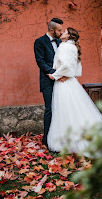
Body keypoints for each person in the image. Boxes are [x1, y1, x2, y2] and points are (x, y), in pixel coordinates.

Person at [47, 27, 102, 154]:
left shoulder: (64, 46)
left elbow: (66, 65)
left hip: (64, 84)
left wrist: (55, 75)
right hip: (71, 82)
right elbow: (77, 68)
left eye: (65, 32)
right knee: (76, 109)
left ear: (69, 36)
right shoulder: (74, 47)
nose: (62, 33)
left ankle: (65, 141)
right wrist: (68, 75)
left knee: (63, 110)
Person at [34, 18, 67, 148]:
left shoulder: (61, 42)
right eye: (59, 30)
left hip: (61, 81)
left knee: (60, 109)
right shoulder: (39, 42)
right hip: (47, 81)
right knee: (50, 109)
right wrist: (53, 73)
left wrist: (62, 74)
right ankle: (47, 140)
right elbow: (40, 61)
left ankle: (59, 138)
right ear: (51, 30)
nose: (61, 32)